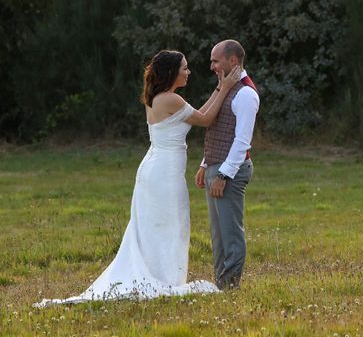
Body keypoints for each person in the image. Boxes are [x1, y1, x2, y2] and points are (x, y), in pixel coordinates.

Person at [34, 50, 241, 307]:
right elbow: (207, 118)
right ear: (171, 72)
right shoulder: (170, 100)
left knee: (159, 225)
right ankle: (161, 279)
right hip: (163, 173)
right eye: (184, 68)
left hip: (155, 169)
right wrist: (226, 87)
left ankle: (160, 275)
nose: (188, 72)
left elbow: (200, 112)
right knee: (169, 223)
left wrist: (221, 87)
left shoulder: (161, 98)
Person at [194, 40, 259, 290]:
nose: (211, 66)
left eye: (215, 61)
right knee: (218, 234)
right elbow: (217, 127)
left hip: (229, 171)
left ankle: (230, 286)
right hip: (215, 166)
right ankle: (221, 283)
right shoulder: (225, 88)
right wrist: (204, 164)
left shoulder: (245, 93)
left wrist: (222, 174)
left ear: (232, 61)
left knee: (230, 232)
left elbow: (242, 140)